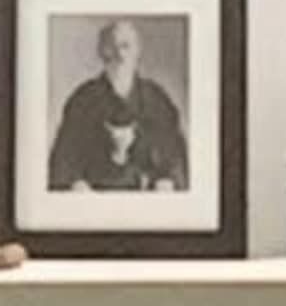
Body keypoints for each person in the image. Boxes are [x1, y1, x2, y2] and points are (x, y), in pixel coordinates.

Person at [47, 17, 189, 191]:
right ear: (101, 52)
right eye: (111, 47)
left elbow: (173, 152)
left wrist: (169, 179)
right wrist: (74, 182)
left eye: (126, 46)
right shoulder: (82, 100)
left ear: (138, 52)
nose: (120, 55)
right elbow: (65, 156)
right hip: (94, 198)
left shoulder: (156, 100)